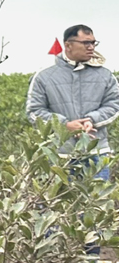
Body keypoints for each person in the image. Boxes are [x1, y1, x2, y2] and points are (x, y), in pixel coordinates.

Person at [26, 24, 119, 167]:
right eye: (86, 43)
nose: (91, 47)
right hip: (59, 155)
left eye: (93, 42)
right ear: (68, 45)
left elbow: (114, 104)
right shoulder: (43, 77)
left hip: (96, 153)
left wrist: (91, 120)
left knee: (97, 190)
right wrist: (65, 125)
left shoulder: (105, 75)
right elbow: (34, 112)